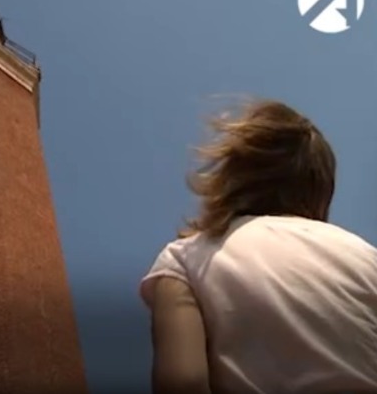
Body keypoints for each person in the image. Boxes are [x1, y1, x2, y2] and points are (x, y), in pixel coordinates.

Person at [140, 99, 377, 394]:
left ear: (233, 178)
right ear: (321, 189)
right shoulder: (367, 258)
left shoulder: (184, 260)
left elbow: (184, 381)